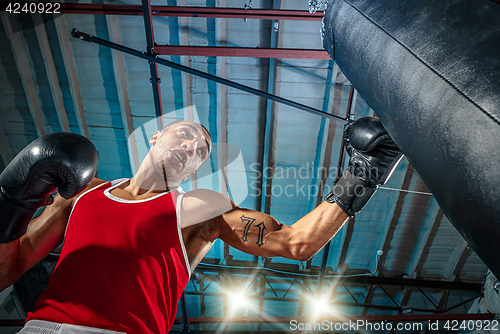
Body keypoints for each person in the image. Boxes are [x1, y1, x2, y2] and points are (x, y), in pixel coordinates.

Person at [0, 117, 403, 334]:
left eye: (202, 151)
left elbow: (297, 243)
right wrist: (13, 202)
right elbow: (8, 270)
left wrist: (363, 174)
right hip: (41, 329)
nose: (192, 148)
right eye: (186, 134)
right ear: (157, 135)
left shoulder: (198, 207)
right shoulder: (82, 195)